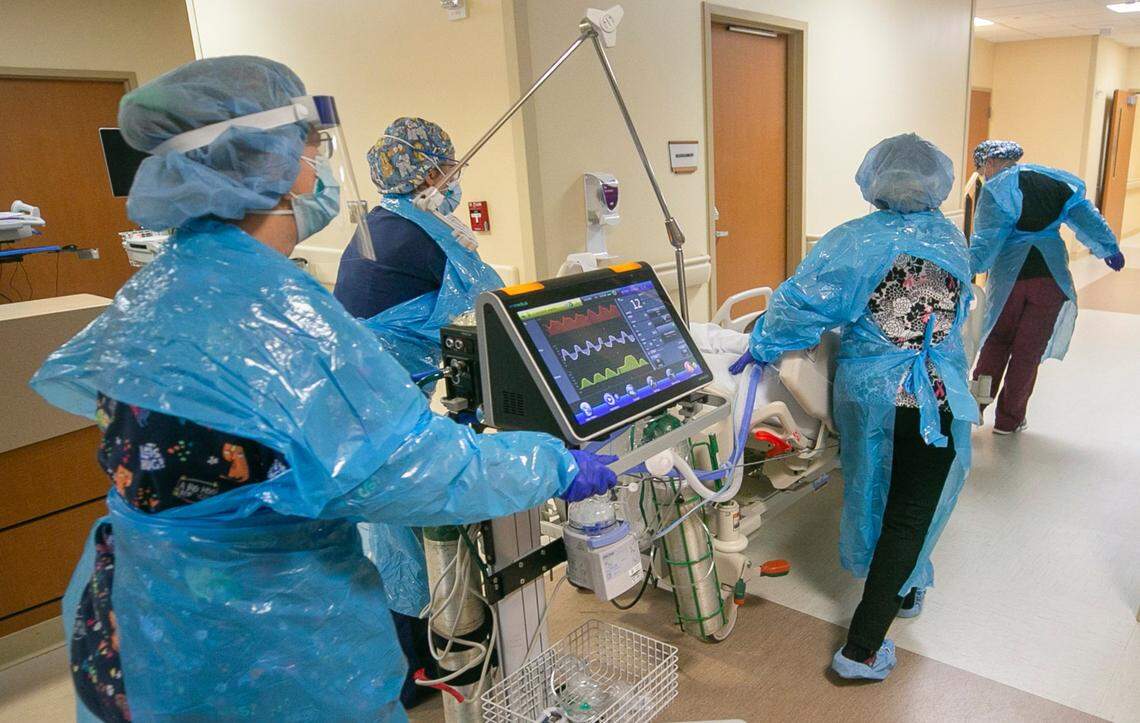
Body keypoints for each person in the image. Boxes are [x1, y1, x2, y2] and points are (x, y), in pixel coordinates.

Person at [31, 56, 617, 722]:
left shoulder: (158, 287)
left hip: (139, 626)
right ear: (269, 169)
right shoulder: (276, 313)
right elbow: (417, 469)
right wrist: (554, 463)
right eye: (313, 152)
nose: (321, 172)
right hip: (259, 645)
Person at [731, 134, 977, 681]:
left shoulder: (855, 241)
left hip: (874, 395)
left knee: (872, 493)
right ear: (938, 183)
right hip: (941, 392)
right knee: (915, 508)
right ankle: (890, 607)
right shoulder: (952, 239)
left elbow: (800, 305)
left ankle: (871, 633)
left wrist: (761, 346)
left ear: (873, 182)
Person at [333, 117, 504, 708]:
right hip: (398, 406)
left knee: (386, 536)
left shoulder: (376, 225)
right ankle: (450, 656)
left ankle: (413, 663)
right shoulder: (427, 235)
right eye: (451, 168)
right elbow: (493, 307)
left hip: (359, 405)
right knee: (420, 536)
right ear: (431, 172)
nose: (455, 178)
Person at [969, 140, 1125, 433]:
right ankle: (1009, 420)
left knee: (997, 341)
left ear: (989, 162)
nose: (983, 175)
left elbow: (986, 239)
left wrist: (967, 268)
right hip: (1050, 277)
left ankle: (975, 407)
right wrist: (1109, 248)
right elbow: (1086, 216)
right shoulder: (1055, 180)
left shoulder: (997, 189)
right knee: (1028, 351)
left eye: (981, 169)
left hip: (1009, 281)